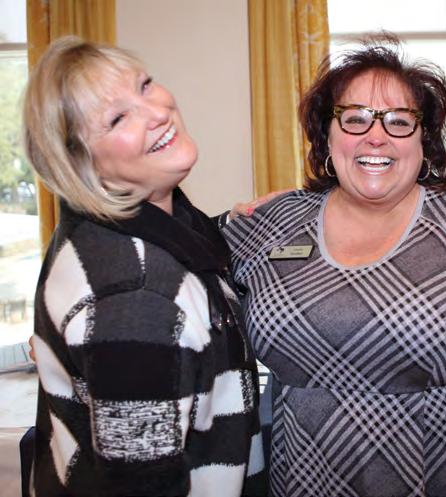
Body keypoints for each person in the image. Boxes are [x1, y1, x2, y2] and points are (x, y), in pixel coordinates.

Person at [223, 35, 446, 497]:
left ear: (424, 140)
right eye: (355, 118)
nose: (376, 135)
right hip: (304, 481)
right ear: (326, 136)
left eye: (399, 121)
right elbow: (180, 258)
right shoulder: (275, 222)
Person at [23, 36, 265, 497]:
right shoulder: (137, 297)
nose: (157, 112)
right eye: (117, 118)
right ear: (81, 165)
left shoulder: (116, 225)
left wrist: (238, 222)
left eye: (145, 85)